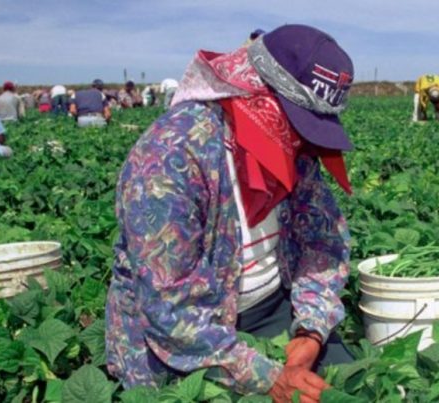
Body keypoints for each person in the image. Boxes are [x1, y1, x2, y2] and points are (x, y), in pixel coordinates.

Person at [105, 24, 355, 403]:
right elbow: (169, 308)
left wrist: (311, 332)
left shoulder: (292, 146)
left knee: (357, 388)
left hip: (273, 310)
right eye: (300, 123)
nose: (304, 141)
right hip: (182, 341)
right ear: (256, 94)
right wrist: (267, 377)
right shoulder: (170, 157)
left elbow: (323, 242)